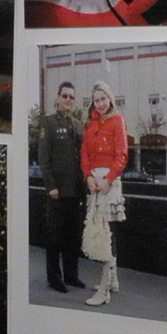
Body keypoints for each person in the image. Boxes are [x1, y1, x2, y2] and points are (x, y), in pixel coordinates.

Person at [80, 82, 128, 306]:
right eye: (96, 100)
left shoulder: (118, 120)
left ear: (110, 99)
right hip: (94, 183)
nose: (100, 104)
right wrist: (88, 177)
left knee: (106, 234)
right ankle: (113, 281)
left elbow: (122, 154)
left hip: (110, 182)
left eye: (103, 99)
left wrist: (108, 179)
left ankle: (104, 290)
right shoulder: (90, 124)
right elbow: (84, 154)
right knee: (101, 231)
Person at [38, 82, 86, 293]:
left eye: (71, 97)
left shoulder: (77, 124)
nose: (68, 100)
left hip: (74, 190)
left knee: (72, 237)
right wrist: (51, 186)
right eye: (65, 96)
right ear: (58, 97)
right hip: (57, 191)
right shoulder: (48, 123)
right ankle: (54, 278)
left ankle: (71, 275)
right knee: (54, 238)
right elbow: (43, 157)